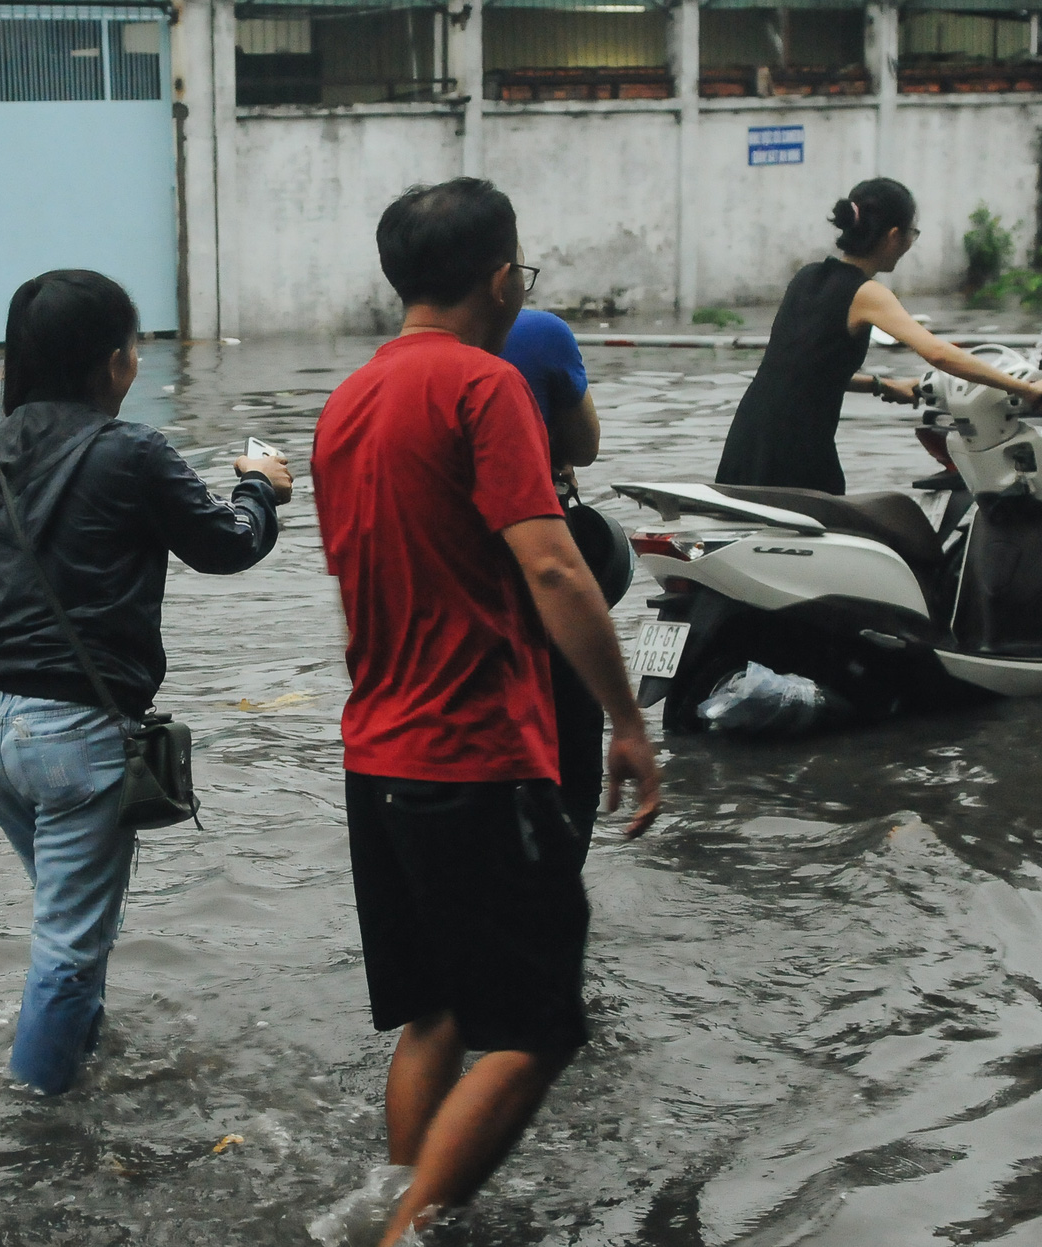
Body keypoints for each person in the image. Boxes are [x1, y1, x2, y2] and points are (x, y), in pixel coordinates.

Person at [310, 178, 661, 1247]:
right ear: (500, 277)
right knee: (538, 1028)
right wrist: (627, 720)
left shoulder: (343, 400)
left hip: (374, 754)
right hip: (469, 756)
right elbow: (555, 567)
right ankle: (402, 1233)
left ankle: (396, 1197)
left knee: (440, 1012)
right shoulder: (481, 385)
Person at [0, 269, 293, 1095]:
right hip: (74, 738)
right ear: (111, 361)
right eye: (132, 347)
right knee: (69, 940)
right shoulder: (131, 450)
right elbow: (226, 545)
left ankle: (78, 1065)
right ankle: (37, 1126)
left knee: (72, 921)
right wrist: (260, 489)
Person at [717, 177, 1042, 495]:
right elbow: (939, 354)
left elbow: (805, 369)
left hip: (749, 437)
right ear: (894, 236)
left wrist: (882, 386)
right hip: (796, 448)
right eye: (912, 234)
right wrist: (1025, 389)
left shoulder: (806, 278)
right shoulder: (867, 293)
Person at [500, 308, 605, 837]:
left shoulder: (371, 383)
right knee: (571, 742)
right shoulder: (538, 333)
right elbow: (586, 446)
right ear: (502, 277)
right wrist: (630, 722)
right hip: (535, 555)